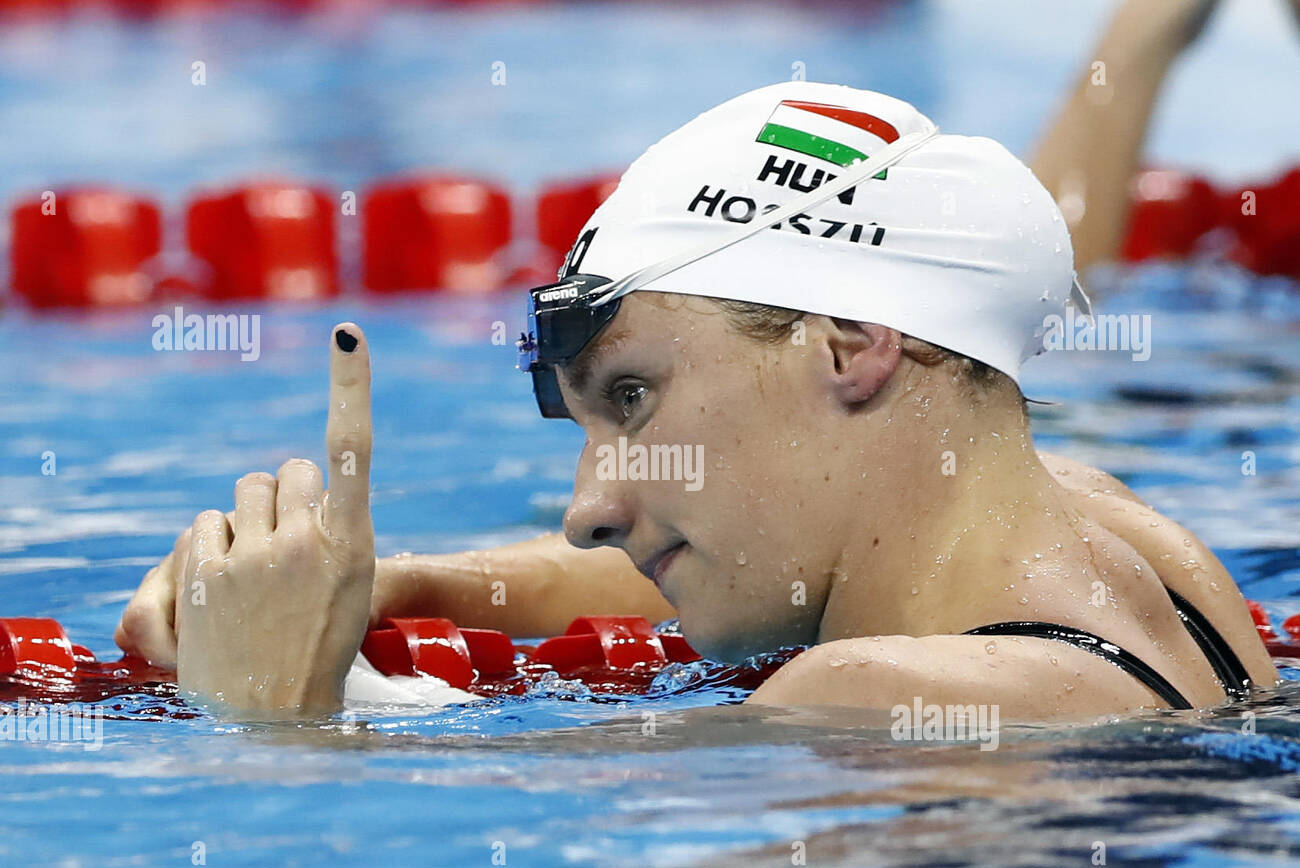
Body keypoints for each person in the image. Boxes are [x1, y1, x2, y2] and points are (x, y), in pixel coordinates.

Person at [114, 9, 1282, 719]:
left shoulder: (866, 700)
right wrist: (413, 584)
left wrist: (266, 713)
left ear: (853, 343)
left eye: (633, 397)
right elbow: (741, 561)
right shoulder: (1119, 535)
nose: (586, 509)